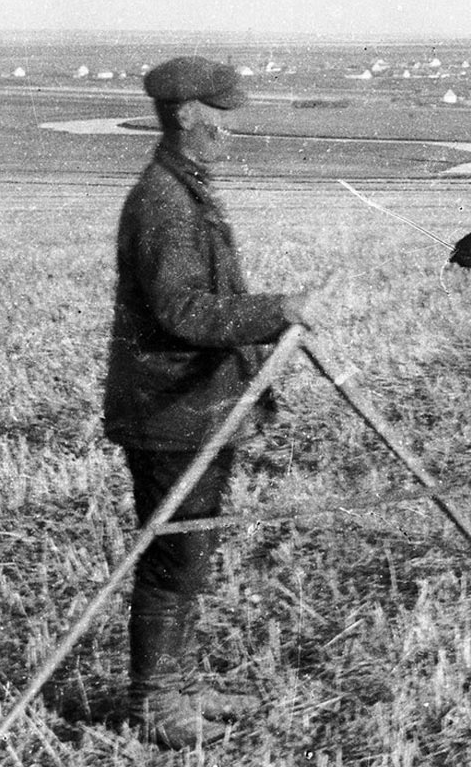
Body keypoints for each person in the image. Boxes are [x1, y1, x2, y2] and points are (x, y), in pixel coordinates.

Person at [102, 56, 314, 748]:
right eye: (221, 116)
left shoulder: (184, 188)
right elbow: (180, 311)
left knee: (190, 556)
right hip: (171, 410)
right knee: (173, 559)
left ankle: (180, 685)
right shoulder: (164, 201)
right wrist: (274, 310)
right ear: (189, 114)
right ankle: (156, 703)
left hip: (196, 406)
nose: (230, 130)